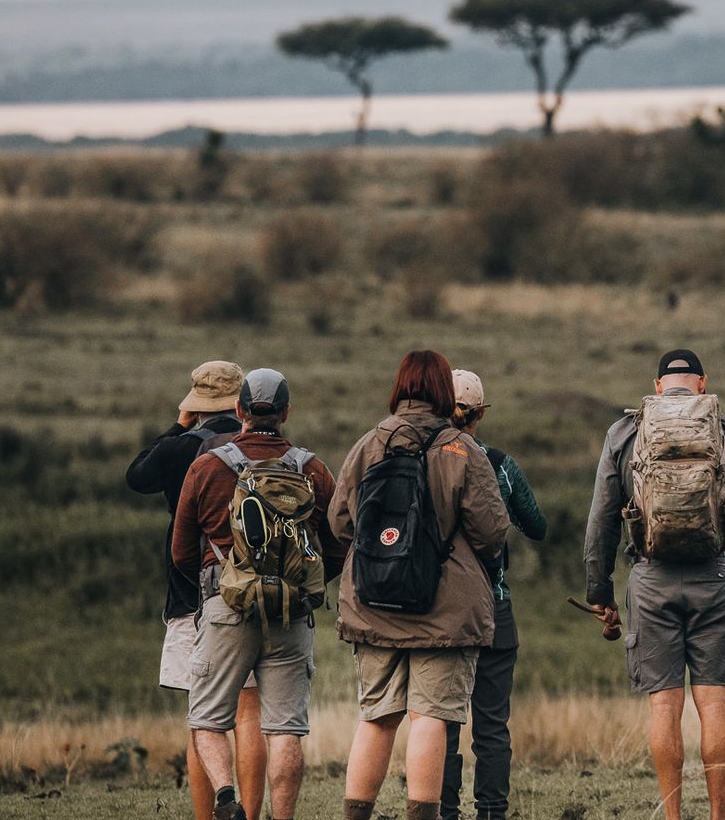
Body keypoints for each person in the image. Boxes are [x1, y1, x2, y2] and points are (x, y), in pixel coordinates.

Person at [584, 349, 725, 820]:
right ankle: (718, 816)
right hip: (712, 574)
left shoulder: (626, 431)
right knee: (713, 702)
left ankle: (672, 817)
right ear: (702, 383)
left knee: (664, 709)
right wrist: (721, 540)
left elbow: (602, 519)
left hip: (649, 579)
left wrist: (600, 591)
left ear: (658, 384)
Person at [333, 351, 508, 820]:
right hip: (444, 612)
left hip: (373, 602)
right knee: (429, 719)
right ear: (443, 393)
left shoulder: (369, 443)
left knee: (377, 718)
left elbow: (338, 521)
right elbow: (492, 532)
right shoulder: (462, 449)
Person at [172, 368, 344, 820]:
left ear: (238, 410)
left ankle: (227, 799)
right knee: (285, 730)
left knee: (207, 720)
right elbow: (338, 546)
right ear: (286, 412)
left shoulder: (207, 467)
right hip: (290, 613)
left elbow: (181, 553)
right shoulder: (312, 469)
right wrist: (303, 589)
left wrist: (218, 590)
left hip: (226, 609)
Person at [126, 360, 266, 820]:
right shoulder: (259, 446)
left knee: (203, 717)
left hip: (191, 591)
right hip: (252, 589)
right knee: (249, 712)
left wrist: (177, 425)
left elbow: (136, 476)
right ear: (241, 401)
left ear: (197, 405)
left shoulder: (177, 450)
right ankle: (252, 810)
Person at [440, 369, 548, 820]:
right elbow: (537, 526)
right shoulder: (499, 464)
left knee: (440, 723)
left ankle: (442, 810)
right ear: (481, 413)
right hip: (493, 605)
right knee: (491, 725)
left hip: (438, 609)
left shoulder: (422, 458)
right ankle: (492, 812)